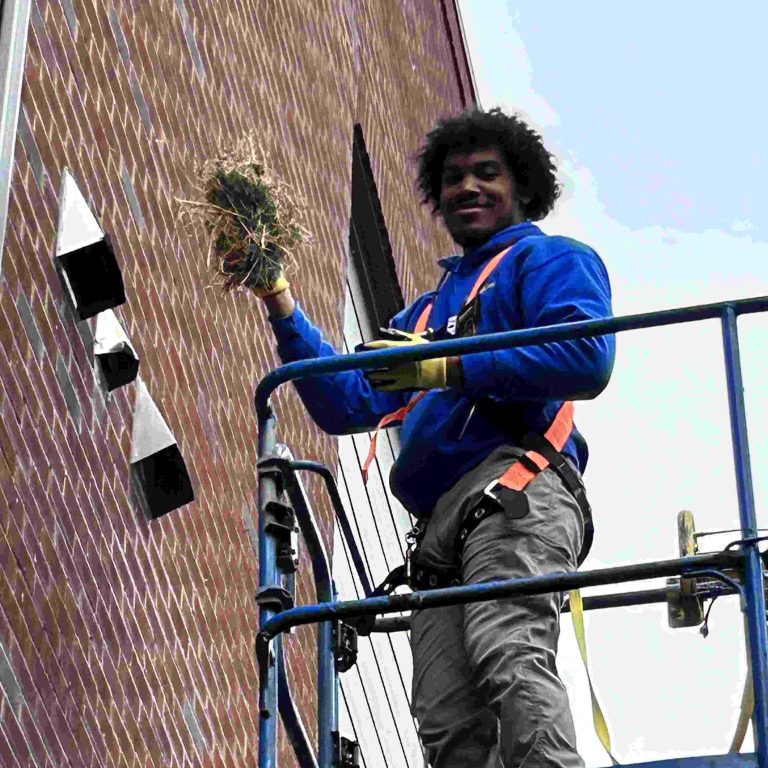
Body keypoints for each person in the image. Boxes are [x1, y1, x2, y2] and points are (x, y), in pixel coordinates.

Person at [255, 107, 614, 768]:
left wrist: (450, 365)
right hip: (440, 529)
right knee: (446, 715)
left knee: (509, 647)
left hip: (516, 491)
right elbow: (344, 400)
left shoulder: (549, 259)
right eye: (453, 178)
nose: (468, 188)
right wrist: (278, 297)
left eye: (487, 174)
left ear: (524, 189)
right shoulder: (423, 311)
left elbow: (585, 358)